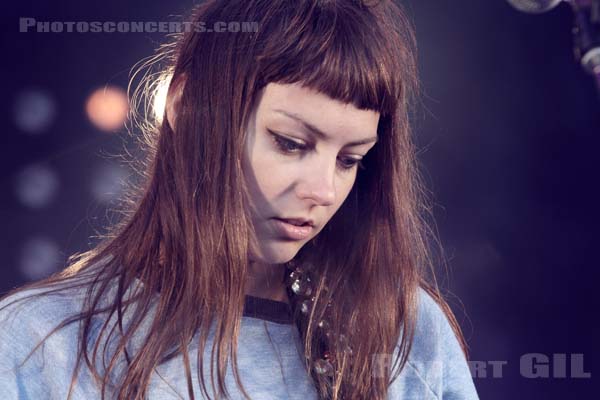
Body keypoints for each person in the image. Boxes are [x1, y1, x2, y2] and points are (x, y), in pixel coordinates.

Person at [0, 0, 479, 399]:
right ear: (185, 107)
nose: (323, 191)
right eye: (291, 143)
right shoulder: (38, 342)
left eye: (349, 160)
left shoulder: (403, 335)